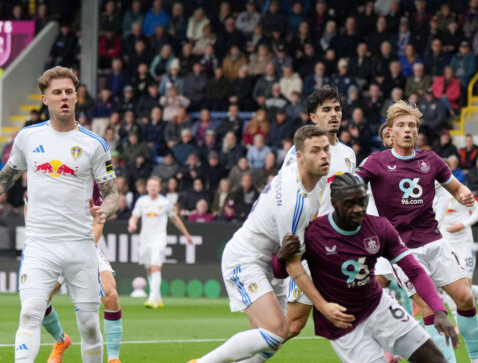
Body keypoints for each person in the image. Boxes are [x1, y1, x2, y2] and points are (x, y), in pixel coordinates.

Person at [0, 67, 119, 363]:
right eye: (57, 93)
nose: (64, 98)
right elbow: (6, 178)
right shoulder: (28, 137)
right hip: (40, 245)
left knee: (88, 326)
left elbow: (112, 194)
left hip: (80, 245)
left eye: (69, 92)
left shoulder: (94, 144)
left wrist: (103, 210)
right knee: (30, 312)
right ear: (44, 98)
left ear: (76, 97)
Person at [192, 126, 341, 363]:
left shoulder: (312, 172)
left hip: (269, 262)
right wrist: (323, 306)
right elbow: (293, 267)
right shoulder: (294, 204)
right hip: (246, 258)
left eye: (326, 149)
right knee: (274, 333)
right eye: (316, 151)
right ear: (300, 156)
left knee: (274, 337)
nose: (324, 155)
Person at [356, 101, 478, 363]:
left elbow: (456, 188)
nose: (408, 130)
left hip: (435, 242)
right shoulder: (376, 162)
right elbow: (353, 184)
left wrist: (463, 194)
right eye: (402, 125)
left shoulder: (430, 160)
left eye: (412, 126)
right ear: (390, 131)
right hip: (401, 250)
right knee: (428, 308)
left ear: (417, 132)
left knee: (464, 298)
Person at [280, 174, 454, 363]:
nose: (358, 209)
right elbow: (281, 271)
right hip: (343, 322)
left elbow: (414, 270)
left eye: (362, 201)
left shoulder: (379, 227)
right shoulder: (314, 233)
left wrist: (438, 309)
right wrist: (280, 258)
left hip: (378, 306)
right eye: (350, 204)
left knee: (436, 360)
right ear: (334, 203)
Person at [276, 87, 358, 344]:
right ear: (313, 117)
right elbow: (286, 193)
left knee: (360, 310)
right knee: (292, 325)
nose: (334, 114)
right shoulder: (299, 154)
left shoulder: (348, 155)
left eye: (337, 109)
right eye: (326, 110)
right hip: (310, 245)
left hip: (338, 247)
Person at [39, 182, 123, 363]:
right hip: (55, 249)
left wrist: (83, 248)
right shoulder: (47, 181)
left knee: (110, 295)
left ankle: (114, 359)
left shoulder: (92, 187)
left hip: (86, 247)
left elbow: (98, 222)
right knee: (39, 300)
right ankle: (60, 341)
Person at [433, 182, 478, 320]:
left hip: (463, 242)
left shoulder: (460, 190)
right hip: (445, 242)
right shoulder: (431, 193)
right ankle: (458, 321)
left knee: (465, 287)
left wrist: (462, 225)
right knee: (450, 283)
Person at [128, 176, 194, 308]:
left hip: (159, 239)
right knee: (149, 269)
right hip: (145, 239)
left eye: (155, 185)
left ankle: (152, 298)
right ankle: (157, 298)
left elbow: (175, 219)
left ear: (159, 187)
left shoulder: (165, 202)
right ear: (147, 187)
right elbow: (134, 217)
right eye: (150, 185)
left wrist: (186, 234)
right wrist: (132, 225)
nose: (152, 187)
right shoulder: (142, 201)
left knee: (155, 266)